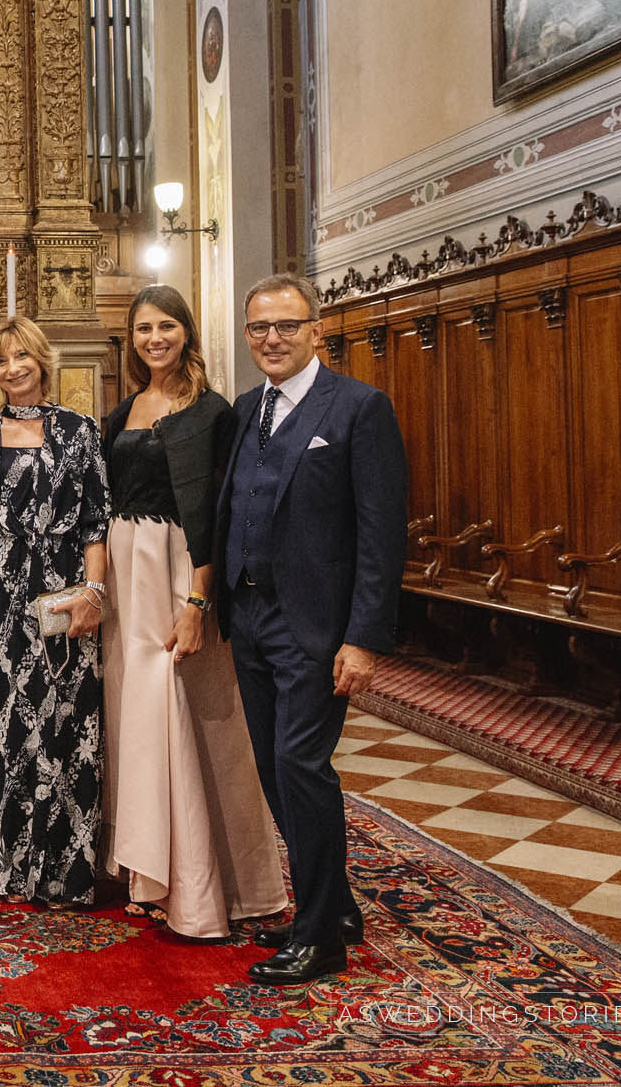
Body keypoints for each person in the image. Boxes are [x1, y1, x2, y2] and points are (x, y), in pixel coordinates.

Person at [218, 272, 406, 985]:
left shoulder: (358, 408)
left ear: (316, 331)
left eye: (286, 326)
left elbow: (380, 534)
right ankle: (339, 904)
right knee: (272, 766)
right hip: (252, 615)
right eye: (259, 327)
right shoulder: (245, 411)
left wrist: (363, 638)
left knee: (301, 765)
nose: (272, 338)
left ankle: (318, 935)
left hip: (317, 625)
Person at [99, 286, 287, 939]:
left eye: (167, 326)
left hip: (177, 568)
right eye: (145, 327)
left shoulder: (213, 412)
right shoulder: (123, 409)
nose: (156, 337)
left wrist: (199, 601)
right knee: (132, 718)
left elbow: (216, 510)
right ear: (132, 338)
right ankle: (144, 872)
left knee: (174, 713)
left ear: (186, 332)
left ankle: (196, 882)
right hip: (125, 573)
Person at [0, 316, 110, 907]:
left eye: (22, 357)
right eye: (0, 362)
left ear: (42, 360)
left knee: (58, 721)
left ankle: (57, 865)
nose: (13, 369)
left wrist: (92, 594)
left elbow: (96, 522)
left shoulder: (79, 431)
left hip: (60, 591)